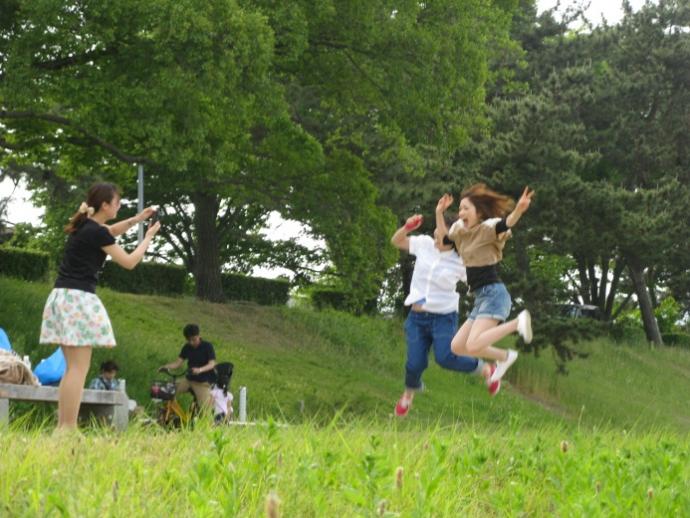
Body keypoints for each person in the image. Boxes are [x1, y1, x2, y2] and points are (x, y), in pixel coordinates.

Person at [39, 182, 159, 431]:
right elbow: (129, 262)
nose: (119, 206)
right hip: (78, 299)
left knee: (72, 369)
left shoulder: (87, 226)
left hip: (62, 297)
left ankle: (63, 427)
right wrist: (147, 238)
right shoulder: (96, 231)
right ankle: (67, 428)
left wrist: (137, 219)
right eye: (117, 203)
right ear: (105, 205)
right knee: (78, 369)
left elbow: (111, 230)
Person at [391, 195, 501, 418]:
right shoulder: (424, 245)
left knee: (446, 358)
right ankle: (409, 393)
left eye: (439, 235)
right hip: (417, 318)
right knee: (414, 364)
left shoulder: (460, 261)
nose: (435, 237)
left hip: (443, 317)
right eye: (434, 233)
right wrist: (407, 228)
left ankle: (486, 369)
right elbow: (397, 241)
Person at [438, 184, 535, 385]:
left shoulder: (488, 229)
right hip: (481, 298)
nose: (461, 213)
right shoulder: (460, 231)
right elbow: (444, 239)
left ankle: (517, 323)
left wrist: (519, 209)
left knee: (473, 345)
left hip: (494, 295)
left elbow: (506, 223)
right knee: (457, 347)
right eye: (460, 209)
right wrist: (439, 212)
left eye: (466, 208)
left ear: (479, 212)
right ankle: (505, 357)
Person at [158, 324, 216, 411]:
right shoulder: (187, 347)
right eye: (189, 340)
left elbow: (212, 364)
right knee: (165, 390)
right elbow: (177, 363)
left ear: (199, 336)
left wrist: (200, 370)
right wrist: (166, 367)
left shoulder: (207, 346)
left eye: (194, 339)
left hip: (202, 382)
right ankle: (166, 413)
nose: (191, 342)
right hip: (189, 380)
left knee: (206, 410)